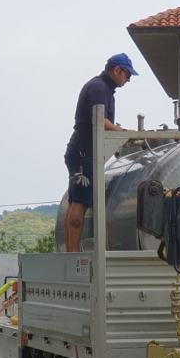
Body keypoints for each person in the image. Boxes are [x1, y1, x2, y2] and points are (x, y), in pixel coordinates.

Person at [64, 53, 138, 251]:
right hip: (83, 153)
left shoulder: (103, 87)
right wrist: (121, 131)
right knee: (79, 202)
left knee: (75, 201)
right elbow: (99, 120)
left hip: (81, 151)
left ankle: (69, 250)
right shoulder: (99, 88)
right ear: (116, 70)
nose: (128, 79)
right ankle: (72, 254)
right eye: (127, 74)